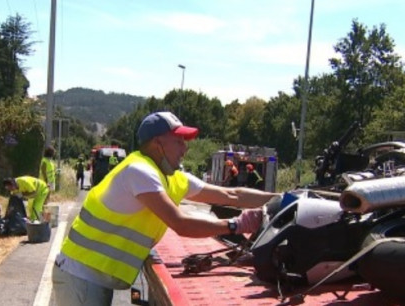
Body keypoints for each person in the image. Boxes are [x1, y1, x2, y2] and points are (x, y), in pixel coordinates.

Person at [52, 111, 280, 305]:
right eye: (179, 141)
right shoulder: (139, 171)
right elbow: (180, 223)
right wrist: (236, 225)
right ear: (157, 144)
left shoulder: (172, 177)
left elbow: (231, 195)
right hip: (80, 275)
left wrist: (283, 199)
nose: (185, 148)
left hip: (92, 276)